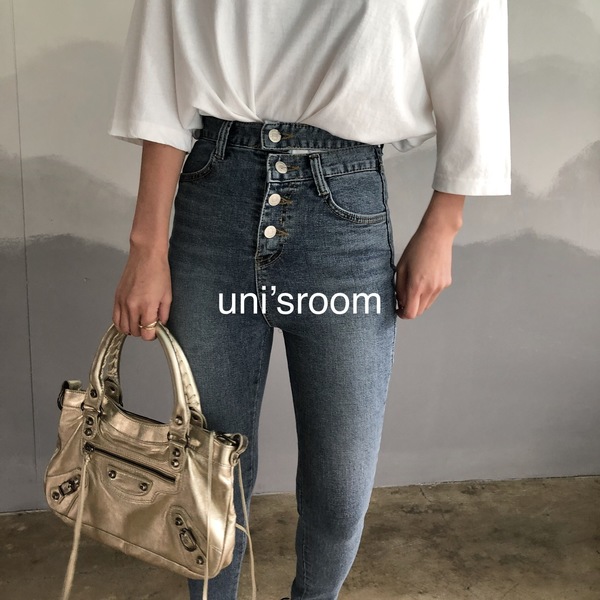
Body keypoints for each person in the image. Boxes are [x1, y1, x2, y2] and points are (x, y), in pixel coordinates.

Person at [108, 1, 510, 599]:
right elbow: (162, 59)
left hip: (343, 212)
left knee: (340, 490)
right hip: (216, 197)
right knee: (210, 474)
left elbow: (470, 34)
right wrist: (146, 245)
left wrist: (445, 221)